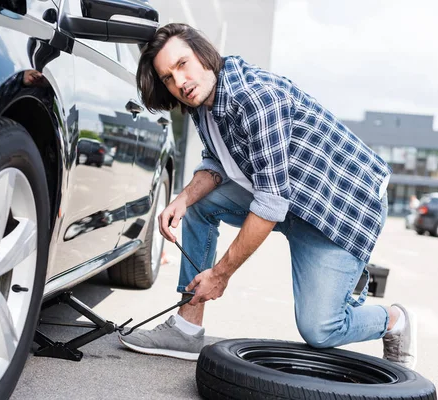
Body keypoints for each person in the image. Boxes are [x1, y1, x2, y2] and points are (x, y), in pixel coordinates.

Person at [119, 23, 416, 370]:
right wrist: (184, 197)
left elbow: (270, 203)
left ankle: (394, 320)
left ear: (202, 54)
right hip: (284, 197)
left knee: (321, 329)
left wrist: (220, 274)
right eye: (168, 77)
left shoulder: (257, 99)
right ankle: (186, 328)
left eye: (182, 64)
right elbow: (220, 161)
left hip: (337, 210)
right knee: (198, 205)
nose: (179, 82)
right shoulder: (204, 101)